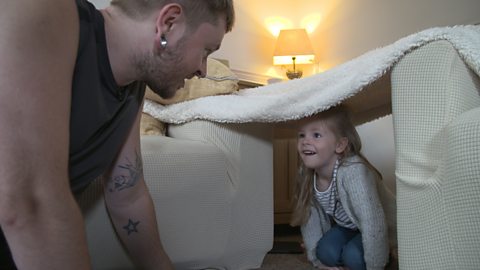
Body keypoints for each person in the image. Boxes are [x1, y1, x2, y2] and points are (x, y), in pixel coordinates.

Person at [0, 0, 235, 269]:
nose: (203, 71)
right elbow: (31, 204)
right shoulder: (45, 10)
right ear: (168, 23)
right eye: (206, 51)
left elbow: (128, 195)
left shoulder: (132, 88)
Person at [290, 106, 390, 270]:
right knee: (325, 253)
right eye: (301, 135)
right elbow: (310, 220)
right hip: (348, 227)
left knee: (353, 258)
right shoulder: (307, 174)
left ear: (340, 144)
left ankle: (384, 254)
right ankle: (351, 251)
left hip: (379, 228)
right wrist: (316, 261)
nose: (305, 141)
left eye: (316, 135)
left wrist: (376, 265)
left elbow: (373, 221)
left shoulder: (353, 171)